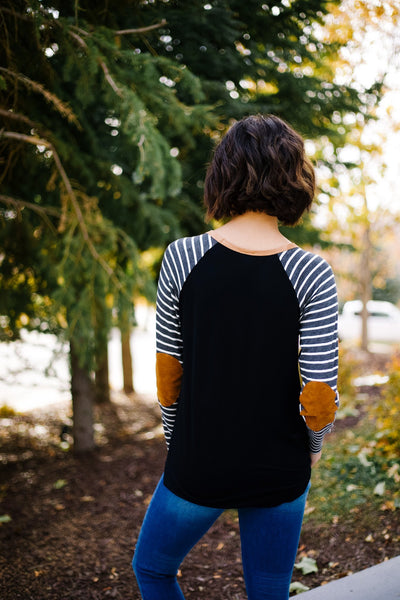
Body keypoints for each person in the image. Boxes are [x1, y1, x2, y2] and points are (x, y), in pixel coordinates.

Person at [132, 114, 339, 600]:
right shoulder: (312, 271)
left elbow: (169, 376)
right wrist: (311, 450)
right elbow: (319, 392)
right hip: (280, 466)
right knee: (268, 591)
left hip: (199, 460)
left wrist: (177, 441)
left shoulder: (182, 257)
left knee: (154, 570)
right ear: (295, 176)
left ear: (222, 173)